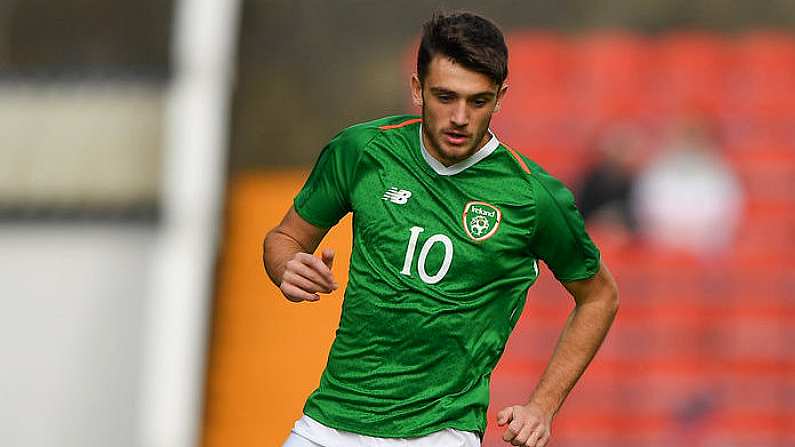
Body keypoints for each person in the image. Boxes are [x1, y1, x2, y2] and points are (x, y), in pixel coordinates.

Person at [264, 11, 619, 447]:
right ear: (417, 89)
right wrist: (285, 266)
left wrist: (543, 406)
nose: (460, 117)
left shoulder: (532, 196)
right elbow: (284, 238)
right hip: (329, 422)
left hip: (439, 432)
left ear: (501, 98)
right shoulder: (362, 151)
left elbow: (599, 296)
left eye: (478, 101)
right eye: (445, 96)